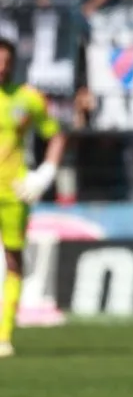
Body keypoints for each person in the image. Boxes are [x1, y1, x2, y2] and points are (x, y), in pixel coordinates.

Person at [0, 38, 67, 358]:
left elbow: (56, 135)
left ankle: (3, 335)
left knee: (13, 259)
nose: (1, 67)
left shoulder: (28, 99)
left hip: (14, 192)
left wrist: (45, 174)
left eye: (6, 61)